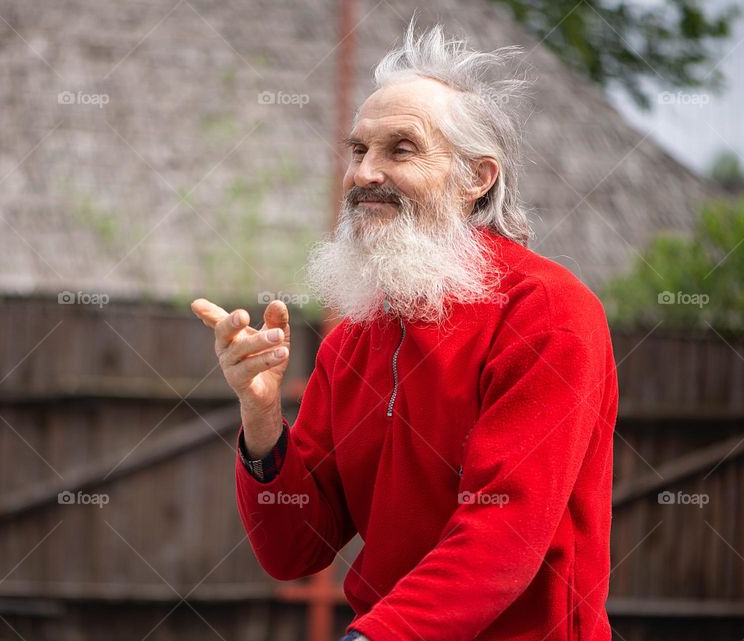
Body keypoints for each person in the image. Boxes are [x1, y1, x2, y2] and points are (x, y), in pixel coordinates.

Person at [192, 17, 617, 641]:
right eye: (358, 150)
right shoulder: (354, 337)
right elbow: (294, 551)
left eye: (401, 149)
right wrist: (260, 419)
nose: (365, 173)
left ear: (477, 179)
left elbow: (504, 533)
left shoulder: (548, 311)